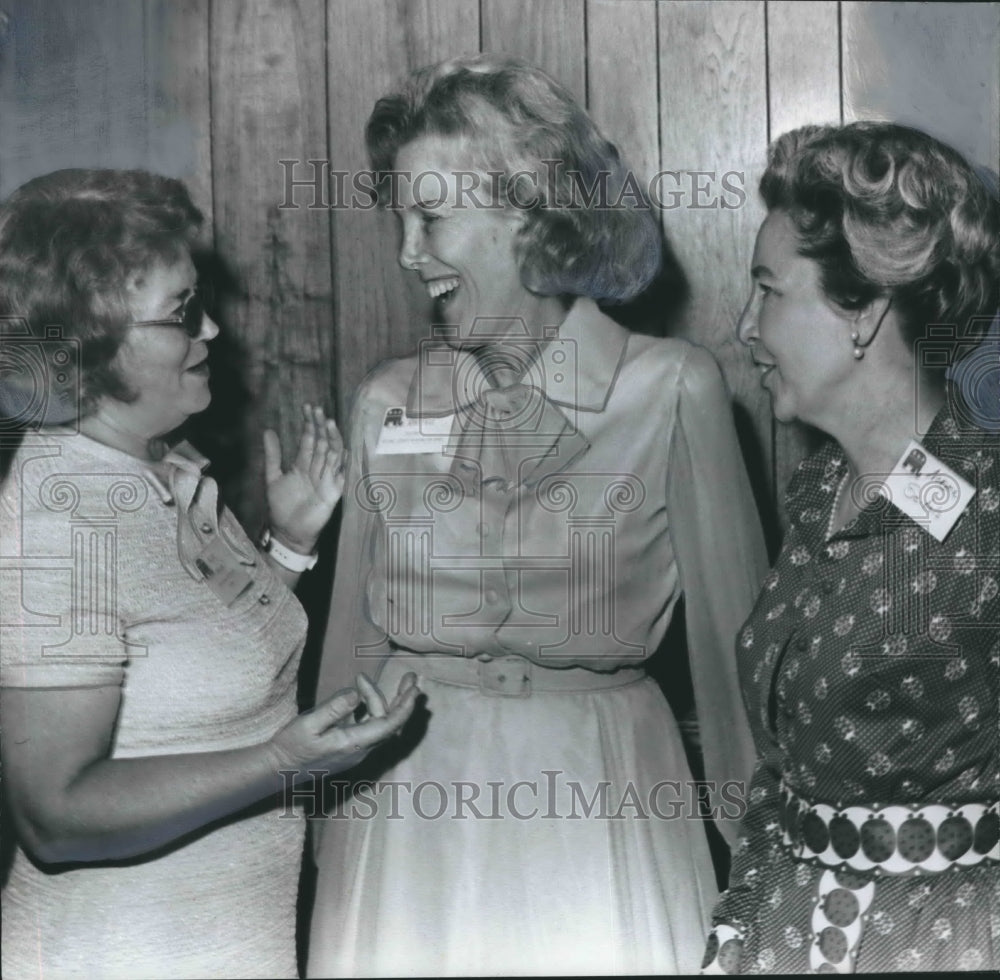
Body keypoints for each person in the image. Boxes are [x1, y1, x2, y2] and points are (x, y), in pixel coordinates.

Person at [308, 55, 768, 977]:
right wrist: (322, 834)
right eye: (400, 218)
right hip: (405, 816)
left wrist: (765, 866)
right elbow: (349, 652)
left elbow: (735, 665)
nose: (406, 251)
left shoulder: (671, 389)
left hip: (600, 799)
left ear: (528, 212)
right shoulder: (386, 403)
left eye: (431, 217)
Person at [0, 168, 419, 980]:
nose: (216, 330)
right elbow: (54, 813)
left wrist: (290, 545)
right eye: (183, 312)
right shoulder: (61, 520)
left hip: (227, 944)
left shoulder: (164, 469)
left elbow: (189, 659)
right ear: (91, 339)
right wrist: (281, 763)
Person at [702, 123, 1000, 975]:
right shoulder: (816, 494)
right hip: (787, 930)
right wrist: (740, 924)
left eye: (767, 291)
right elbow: (782, 775)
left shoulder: (990, 510)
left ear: (864, 309)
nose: (743, 325)